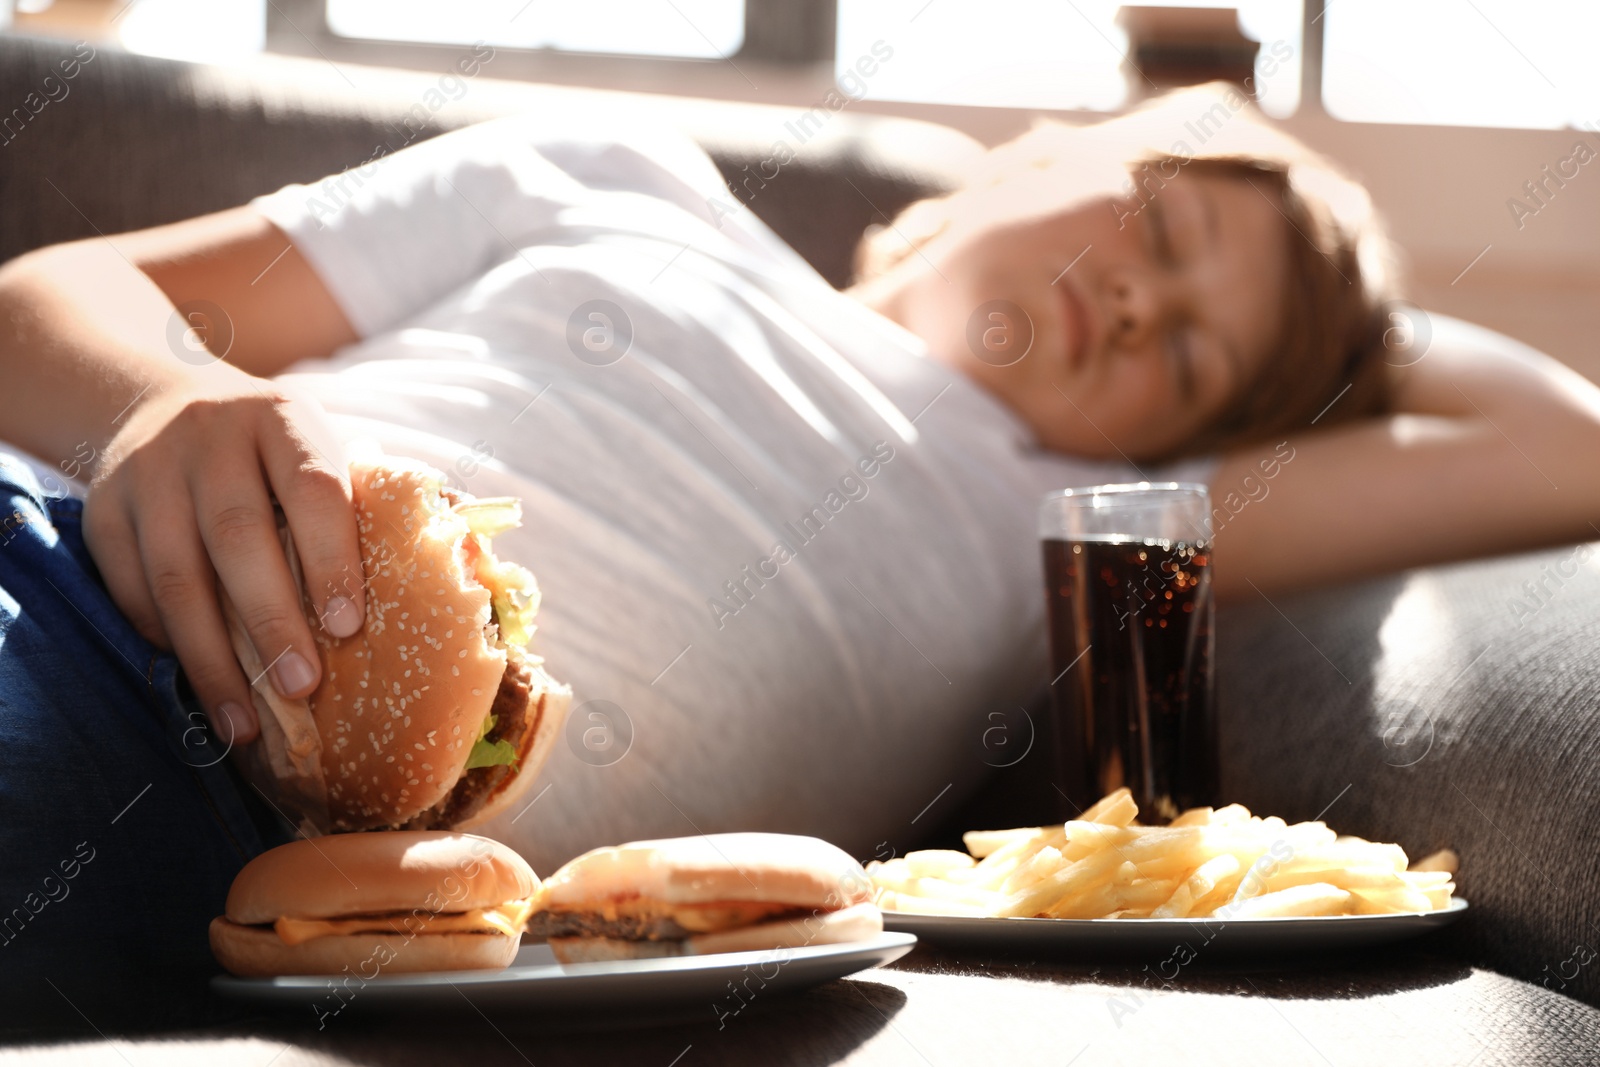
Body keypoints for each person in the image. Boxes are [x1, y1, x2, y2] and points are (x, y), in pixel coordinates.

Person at [2, 83, 1597, 1015]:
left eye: (1186, 358)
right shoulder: (614, 179)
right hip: (80, 588)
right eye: (1158, 233)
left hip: (297, 889)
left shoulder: (1047, 527)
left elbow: (1562, 444)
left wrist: (1343, 323)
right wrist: (166, 406)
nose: (1137, 306)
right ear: (1036, 152)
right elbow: (49, 307)